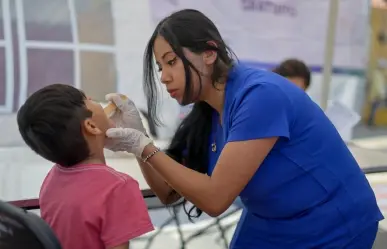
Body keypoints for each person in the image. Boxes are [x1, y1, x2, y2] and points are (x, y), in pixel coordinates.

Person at [104, 9, 383, 248]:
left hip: (329, 222)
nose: (164, 77)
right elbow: (168, 192)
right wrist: (139, 143)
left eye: (172, 61)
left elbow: (215, 199)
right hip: (271, 219)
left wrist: (144, 146)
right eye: (160, 67)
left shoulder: (260, 96)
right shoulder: (208, 113)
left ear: (210, 54)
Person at [17, 84, 154, 249]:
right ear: (91, 126)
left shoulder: (52, 179)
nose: (93, 100)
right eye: (87, 99)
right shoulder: (117, 187)